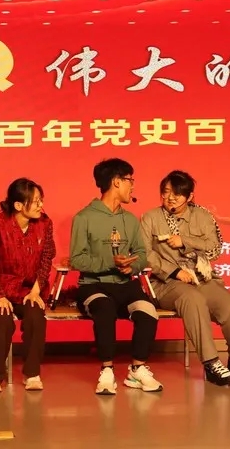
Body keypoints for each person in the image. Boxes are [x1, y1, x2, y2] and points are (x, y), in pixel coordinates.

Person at [140, 170, 230, 386]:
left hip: (201, 278)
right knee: (192, 300)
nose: (170, 198)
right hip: (166, 282)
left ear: (190, 196)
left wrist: (185, 241)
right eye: (166, 192)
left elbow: (214, 247)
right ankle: (211, 363)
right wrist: (175, 272)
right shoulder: (151, 218)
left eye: (177, 193)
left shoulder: (203, 216)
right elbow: (145, 254)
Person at [69, 158, 162, 395]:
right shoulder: (83, 217)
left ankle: (137, 369)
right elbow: (77, 259)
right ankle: (107, 370)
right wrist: (111, 262)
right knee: (105, 309)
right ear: (117, 182)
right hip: (93, 286)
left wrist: (132, 267)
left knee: (148, 311)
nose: (133, 186)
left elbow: (141, 254)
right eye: (130, 180)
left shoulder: (129, 219)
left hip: (125, 285)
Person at [0, 177, 56, 392]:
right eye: (36, 201)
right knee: (3, 320)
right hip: (0, 289)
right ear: (18, 205)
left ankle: (32, 373)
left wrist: (36, 291)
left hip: (29, 289)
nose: (41, 205)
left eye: (41, 200)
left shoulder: (45, 224)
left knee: (36, 317)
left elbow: (47, 258)